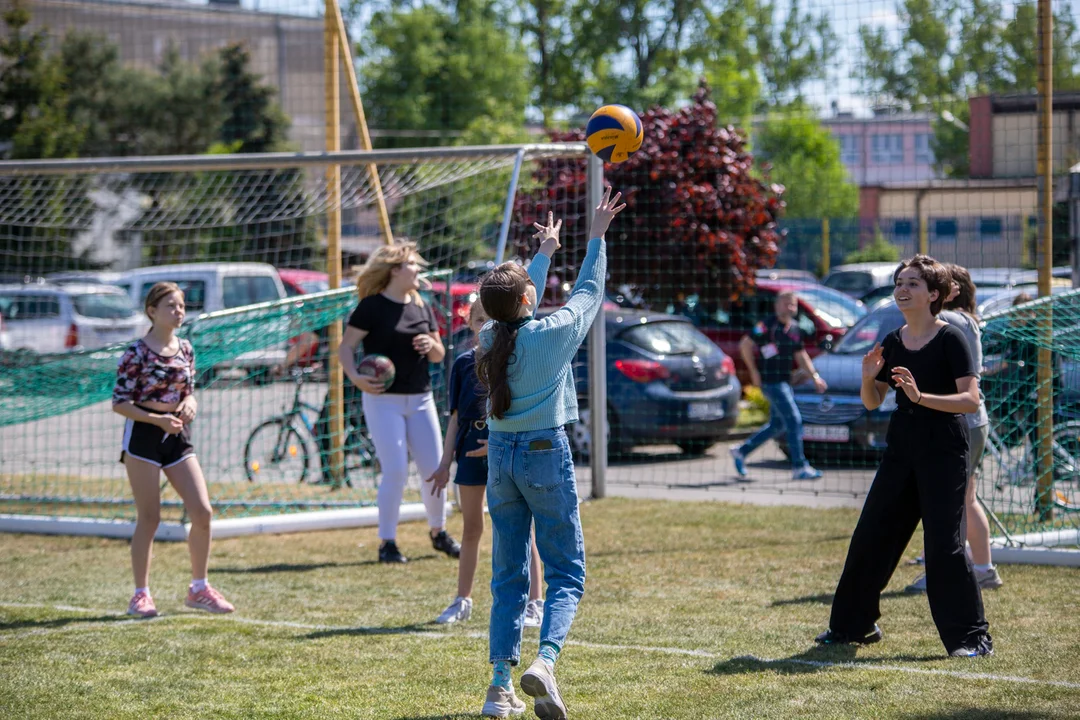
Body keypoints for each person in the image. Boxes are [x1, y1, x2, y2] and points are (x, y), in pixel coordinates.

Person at [474, 191, 624, 719]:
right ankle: (546, 660)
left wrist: (544, 252)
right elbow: (588, 291)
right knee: (566, 571)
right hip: (543, 453)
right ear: (527, 300)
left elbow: (512, 304)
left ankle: (498, 688)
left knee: (508, 574)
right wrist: (596, 237)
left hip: (500, 460)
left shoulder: (487, 337)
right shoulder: (552, 335)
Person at [816, 254, 992, 658]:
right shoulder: (894, 340)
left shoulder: (951, 338)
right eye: (899, 281)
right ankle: (853, 626)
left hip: (944, 449)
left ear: (934, 294)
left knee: (943, 546)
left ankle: (970, 639)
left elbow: (969, 400)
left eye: (912, 282)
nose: (902, 288)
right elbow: (874, 401)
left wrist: (920, 397)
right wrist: (867, 378)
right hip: (902, 448)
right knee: (871, 536)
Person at [112, 282, 234, 617]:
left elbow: (189, 390)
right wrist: (157, 419)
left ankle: (199, 588)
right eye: (170, 306)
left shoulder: (186, 348)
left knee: (203, 511)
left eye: (181, 306)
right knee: (149, 518)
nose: (178, 311)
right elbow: (120, 403)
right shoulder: (135, 352)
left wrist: (190, 403)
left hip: (178, 437)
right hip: (144, 440)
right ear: (152, 311)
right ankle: (140, 594)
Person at [338, 243, 460, 564]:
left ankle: (438, 532)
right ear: (394, 271)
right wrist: (355, 376)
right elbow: (346, 347)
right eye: (412, 265)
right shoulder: (371, 306)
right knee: (394, 470)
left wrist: (430, 343)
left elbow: (439, 354)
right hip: (382, 400)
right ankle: (387, 543)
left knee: (434, 469)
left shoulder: (421, 305)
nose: (418, 270)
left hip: (420, 398)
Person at [428, 302, 545, 627]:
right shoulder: (463, 364)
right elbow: (454, 420)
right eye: (479, 320)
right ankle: (461, 600)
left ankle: (536, 602)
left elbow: (514, 410)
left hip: (504, 448)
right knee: (471, 528)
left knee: (521, 529)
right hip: (469, 452)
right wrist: (444, 463)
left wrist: (492, 447)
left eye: (491, 320)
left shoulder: (509, 360)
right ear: (468, 322)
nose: (485, 327)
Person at [906, 264, 1003, 593]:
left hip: (961, 422)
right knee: (964, 499)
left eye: (930, 284)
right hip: (971, 422)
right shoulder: (964, 320)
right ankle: (983, 569)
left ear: (949, 291)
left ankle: (947, 575)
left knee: (951, 502)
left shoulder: (953, 322)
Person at [729, 291, 827, 480]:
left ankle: (741, 451)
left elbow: (801, 355)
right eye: (785, 304)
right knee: (794, 420)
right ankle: (800, 467)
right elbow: (745, 345)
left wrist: (814, 377)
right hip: (770, 381)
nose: (789, 308)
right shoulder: (766, 326)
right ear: (777, 306)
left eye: (793, 304)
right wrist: (753, 372)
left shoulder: (796, 328)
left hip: (785, 381)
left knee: (778, 424)